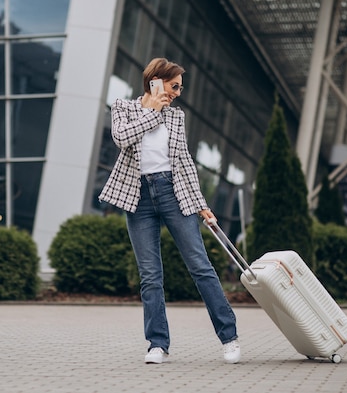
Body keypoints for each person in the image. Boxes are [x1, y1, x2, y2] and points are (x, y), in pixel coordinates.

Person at [99, 57, 241, 364]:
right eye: (174, 85)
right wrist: (153, 111)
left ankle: (229, 337)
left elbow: (184, 160)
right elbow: (122, 139)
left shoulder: (177, 117)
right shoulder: (123, 107)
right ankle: (157, 344)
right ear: (156, 81)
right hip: (139, 196)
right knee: (150, 276)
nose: (177, 92)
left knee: (200, 267)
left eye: (180, 87)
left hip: (174, 192)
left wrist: (202, 204)